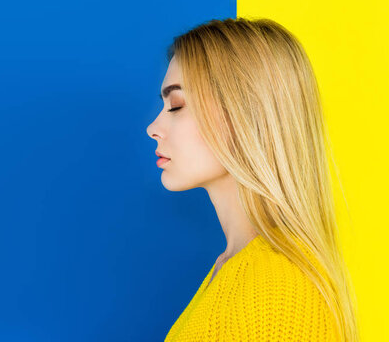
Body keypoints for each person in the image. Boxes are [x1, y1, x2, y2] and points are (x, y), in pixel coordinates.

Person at [146, 17, 359, 341]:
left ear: (243, 113)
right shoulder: (235, 269)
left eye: (176, 105)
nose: (153, 127)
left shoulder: (279, 287)